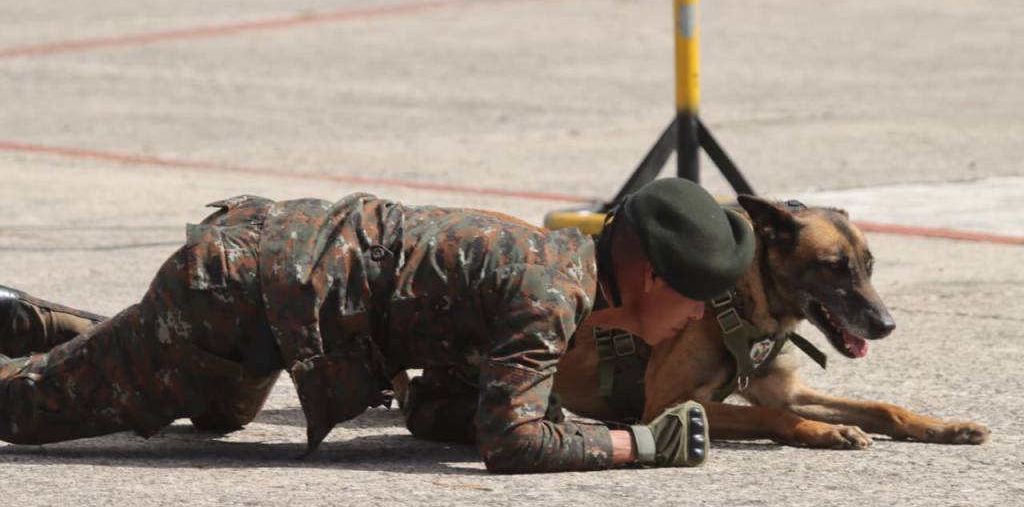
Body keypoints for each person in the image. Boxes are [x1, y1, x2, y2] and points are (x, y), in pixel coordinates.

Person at [0, 178, 754, 473]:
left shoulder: (555, 265)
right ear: (652, 278)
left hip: (260, 296)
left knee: (219, 412)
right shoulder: (551, 296)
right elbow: (511, 442)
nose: (696, 319)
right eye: (696, 300)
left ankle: (58, 327)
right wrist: (636, 444)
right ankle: (83, 353)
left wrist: (526, 410)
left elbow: (436, 408)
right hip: (232, 293)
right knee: (26, 411)